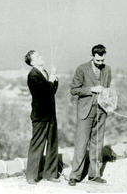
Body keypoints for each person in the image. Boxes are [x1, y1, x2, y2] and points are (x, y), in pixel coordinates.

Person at [68, 44, 112, 186]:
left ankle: (94, 175)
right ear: (92, 56)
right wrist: (92, 89)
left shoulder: (108, 69)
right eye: (98, 60)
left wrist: (109, 101)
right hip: (85, 111)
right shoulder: (81, 69)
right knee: (81, 144)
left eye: (102, 60)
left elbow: (107, 89)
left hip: (102, 111)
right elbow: (74, 90)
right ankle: (75, 176)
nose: (100, 63)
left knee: (98, 143)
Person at [24, 50, 60, 184]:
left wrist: (54, 80)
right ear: (32, 62)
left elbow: (51, 92)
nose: (41, 57)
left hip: (50, 114)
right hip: (40, 116)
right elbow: (43, 93)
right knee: (37, 144)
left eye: (40, 54)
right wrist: (51, 82)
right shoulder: (32, 75)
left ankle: (50, 174)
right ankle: (31, 176)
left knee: (52, 143)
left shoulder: (44, 72)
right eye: (38, 56)